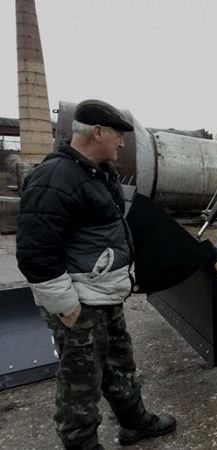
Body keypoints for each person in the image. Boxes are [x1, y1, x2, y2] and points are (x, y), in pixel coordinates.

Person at [16, 99, 176, 449]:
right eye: (118, 135)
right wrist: (67, 306)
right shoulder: (54, 178)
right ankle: (81, 444)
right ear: (98, 132)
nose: (122, 143)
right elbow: (36, 253)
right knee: (81, 380)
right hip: (81, 302)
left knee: (120, 364)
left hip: (104, 295)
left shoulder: (97, 173)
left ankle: (135, 423)